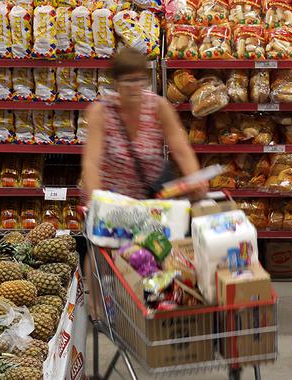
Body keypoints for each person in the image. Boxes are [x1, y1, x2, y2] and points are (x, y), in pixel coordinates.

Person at [81, 47, 207, 317]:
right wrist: (96, 202)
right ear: (115, 83)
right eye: (127, 81)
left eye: (140, 79)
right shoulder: (100, 113)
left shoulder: (158, 106)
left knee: (157, 254)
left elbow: (181, 149)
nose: (135, 86)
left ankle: (154, 304)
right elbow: (91, 162)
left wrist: (195, 179)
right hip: (115, 199)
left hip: (151, 199)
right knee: (103, 250)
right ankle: (96, 306)